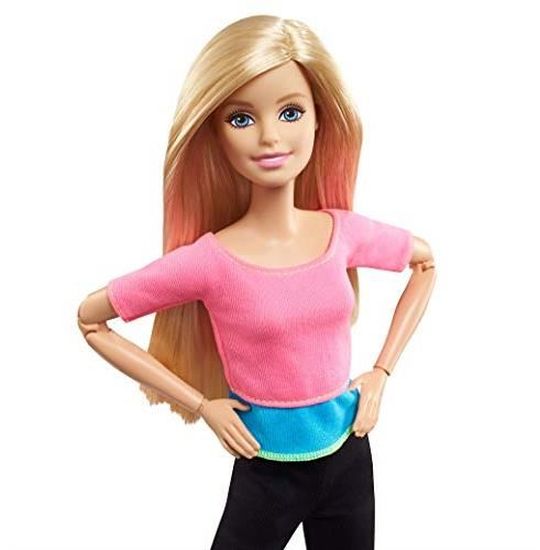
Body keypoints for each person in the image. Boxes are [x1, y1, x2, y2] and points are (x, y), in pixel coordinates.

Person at [77, 14, 436, 550]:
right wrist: (202, 405)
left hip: (348, 453)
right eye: (241, 118)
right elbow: (91, 320)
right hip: (265, 467)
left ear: (319, 120)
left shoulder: (341, 233)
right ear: (214, 134)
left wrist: (381, 372)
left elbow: (425, 264)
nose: (270, 136)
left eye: (291, 112)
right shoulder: (209, 261)